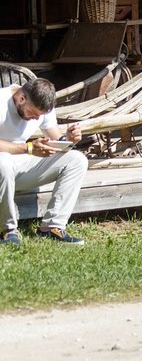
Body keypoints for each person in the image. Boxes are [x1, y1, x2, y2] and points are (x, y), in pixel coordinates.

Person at [0, 78, 87, 246]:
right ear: (21, 98)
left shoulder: (41, 109)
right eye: (33, 113)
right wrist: (28, 148)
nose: (35, 119)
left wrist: (69, 139)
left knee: (77, 159)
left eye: (39, 116)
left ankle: (52, 227)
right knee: (2, 161)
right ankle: (7, 230)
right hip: (2, 166)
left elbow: (56, 138)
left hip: (20, 167)